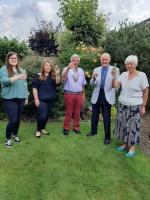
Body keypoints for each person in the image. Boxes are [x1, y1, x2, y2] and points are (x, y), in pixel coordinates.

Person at [112, 55, 149, 157]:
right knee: (123, 124)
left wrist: (143, 106)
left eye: (131, 63)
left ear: (135, 64)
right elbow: (115, 86)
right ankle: (125, 144)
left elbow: (146, 91)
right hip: (122, 105)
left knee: (133, 126)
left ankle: (132, 148)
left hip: (135, 106)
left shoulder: (141, 75)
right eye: (127, 63)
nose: (129, 65)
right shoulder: (123, 74)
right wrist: (114, 76)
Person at [86, 53, 120, 145]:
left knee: (106, 118)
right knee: (94, 115)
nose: (104, 61)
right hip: (97, 95)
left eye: (106, 59)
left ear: (109, 60)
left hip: (107, 96)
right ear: (100, 60)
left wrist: (112, 94)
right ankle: (93, 132)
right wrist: (93, 78)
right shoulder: (96, 69)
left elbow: (117, 86)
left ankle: (107, 138)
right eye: (102, 59)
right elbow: (92, 84)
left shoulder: (115, 70)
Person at [0, 52, 29, 148]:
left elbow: (25, 84)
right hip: (9, 98)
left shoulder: (21, 70)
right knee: (12, 120)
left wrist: (26, 96)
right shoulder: (3, 69)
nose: (14, 59)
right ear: (8, 59)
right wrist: (18, 77)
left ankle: (15, 135)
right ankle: (7, 140)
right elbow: (4, 81)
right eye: (11, 58)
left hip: (21, 98)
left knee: (17, 119)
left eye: (15, 58)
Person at [32, 60, 60, 138]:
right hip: (41, 100)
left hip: (51, 100)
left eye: (49, 66)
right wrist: (36, 99)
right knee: (42, 115)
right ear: (43, 66)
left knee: (47, 115)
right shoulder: (37, 75)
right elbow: (34, 88)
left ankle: (43, 128)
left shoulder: (53, 76)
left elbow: (58, 83)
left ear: (51, 67)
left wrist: (57, 74)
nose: (48, 67)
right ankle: (38, 130)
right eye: (46, 65)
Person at [61, 54, 86, 135]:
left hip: (79, 94)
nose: (75, 62)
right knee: (69, 112)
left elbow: (83, 84)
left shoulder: (81, 70)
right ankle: (66, 128)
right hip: (69, 94)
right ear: (71, 61)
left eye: (77, 60)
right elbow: (63, 79)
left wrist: (83, 96)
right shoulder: (66, 69)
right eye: (73, 60)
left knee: (77, 112)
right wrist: (68, 68)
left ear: (79, 61)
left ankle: (76, 128)